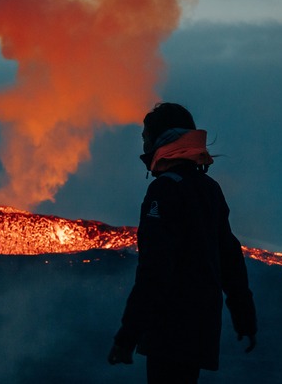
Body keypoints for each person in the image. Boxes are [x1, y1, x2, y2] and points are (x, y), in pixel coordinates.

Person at [108, 103, 257, 383]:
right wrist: (244, 315)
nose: (143, 144)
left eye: (145, 137)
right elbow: (230, 258)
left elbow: (154, 270)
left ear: (161, 140)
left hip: (169, 330)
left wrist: (128, 335)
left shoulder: (165, 190)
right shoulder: (209, 189)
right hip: (201, 329)